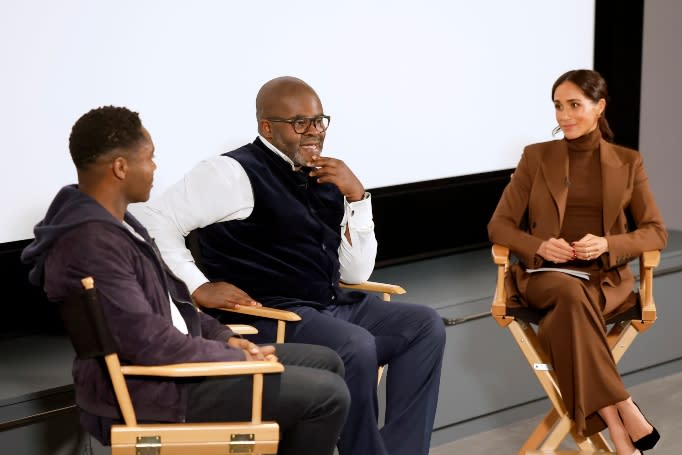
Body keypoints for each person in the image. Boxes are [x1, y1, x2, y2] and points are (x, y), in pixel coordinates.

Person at [133, 76, 446, 455]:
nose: (314, 132)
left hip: (330, 306)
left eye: (319, 121)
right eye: (300, 122)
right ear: (267, 127)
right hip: (273, 316)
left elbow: (356, 275)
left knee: (424, 325)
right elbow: (152, 220)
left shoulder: (326, 174)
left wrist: (358, 197)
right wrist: (196, 285)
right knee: (357, 346)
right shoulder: (230, 173)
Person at [20, 105, 350, 455]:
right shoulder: (93, 243)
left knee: (325, 361)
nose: (154, 168)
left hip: (175, 369)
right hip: (157, 390)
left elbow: (177, 307)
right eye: (149, 158)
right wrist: (233, 359)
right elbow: (148, 342)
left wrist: (225, 338)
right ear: (120, 167)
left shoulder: (121, 226)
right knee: (327, 395)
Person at [488, 69, 667, 455]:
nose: (564, 115)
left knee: (568, 315)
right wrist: (540, 247)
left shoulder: (627, 162)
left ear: (599, 107)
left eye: (574, 105)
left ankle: (618, 434)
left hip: (604, 282)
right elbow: (499, 225)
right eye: (557, 106)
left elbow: (655, 231)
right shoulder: (537, 157)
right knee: (569, 293)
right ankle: (625, 408)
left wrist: (607, 244)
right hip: (546, 275)